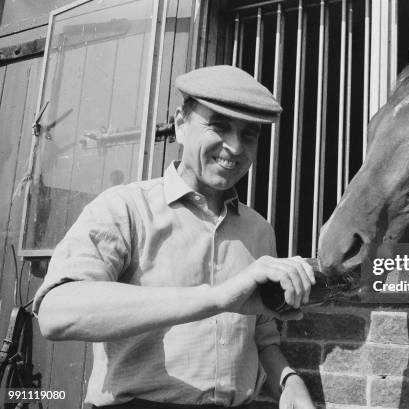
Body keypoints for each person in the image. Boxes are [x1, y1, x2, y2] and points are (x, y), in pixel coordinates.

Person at [34, 65, 316, 409]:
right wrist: (216, 298)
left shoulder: (259, 230)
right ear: (181, 124)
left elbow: (263, 338)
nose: (235, 147)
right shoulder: (126, 208)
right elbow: (56, 312)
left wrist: (288, 381)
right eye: (219, 126)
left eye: (250, 135)